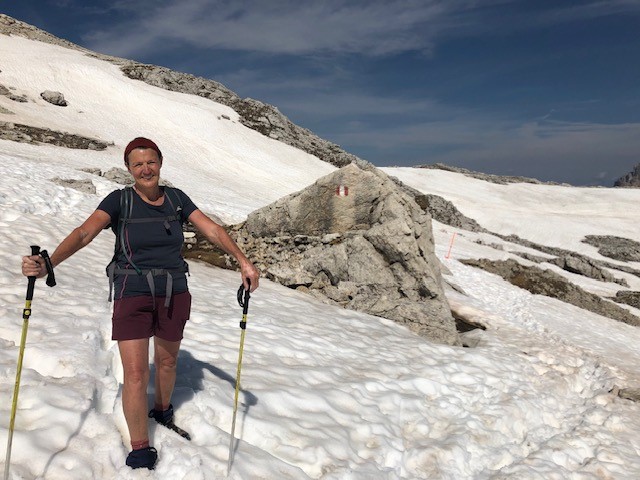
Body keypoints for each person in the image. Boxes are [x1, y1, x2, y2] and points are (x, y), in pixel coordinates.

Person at [21, 137, 260, 470]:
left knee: (166, 362)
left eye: (151, 162)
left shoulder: (177, 199)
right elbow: (84, 233)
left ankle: (161, 411)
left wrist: (242, 261)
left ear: (160, 163)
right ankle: (140, 448)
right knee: (135, 374)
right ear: (129, 169)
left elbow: (214, 230)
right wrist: (50, 263)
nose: (146, 169)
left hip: (174, 290)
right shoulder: (120, 201)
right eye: (138, 164)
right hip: (131, 291)